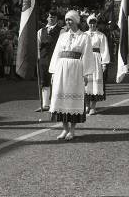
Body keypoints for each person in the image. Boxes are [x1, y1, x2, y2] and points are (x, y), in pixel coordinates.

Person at [48, 10, 94, 140]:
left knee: (73, 100)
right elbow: (56, 53)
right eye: (67, 20)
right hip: (61, 70)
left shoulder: (84, 37)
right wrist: (53, 72)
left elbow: (87, 56)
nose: (68, 22)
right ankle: (65, 129)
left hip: (75, 71)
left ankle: (72, 130)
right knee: (60, 97)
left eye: (71, 20)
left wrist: (86, 74)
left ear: (76, 21)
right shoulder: (62, 36)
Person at [84, 14, 110, 115]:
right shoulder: (83, 35)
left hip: (96, 60)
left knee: (95, 83)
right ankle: (86, 105)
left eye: (94, 22)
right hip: (86, 59)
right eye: (90, 23)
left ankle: (93, 106)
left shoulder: (101, 35)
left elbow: (104, 49)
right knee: (86, 84)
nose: (92, 25)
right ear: (88, 24)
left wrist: (104, 63)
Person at [37, 11, 63, 111]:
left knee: (56, 81)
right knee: (44, 81)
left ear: (57, 19)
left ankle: (55, 103)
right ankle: (45, 104)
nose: (52, 19)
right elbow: (38, 46)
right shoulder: (41, 31)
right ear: (47, 18)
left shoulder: (62, 31)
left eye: (54, 17)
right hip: (44, 60)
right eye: (50, 17)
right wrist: (39, 59)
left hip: (57, 60)